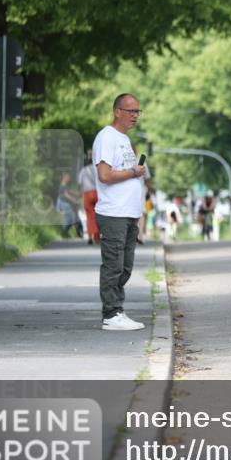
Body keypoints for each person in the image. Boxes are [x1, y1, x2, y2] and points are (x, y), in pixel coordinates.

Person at [92, 93, 146, 331]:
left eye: (137, 112)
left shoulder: (123, 139)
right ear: (117, 111)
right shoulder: (107, 137)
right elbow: (105, 175)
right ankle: (111, 314)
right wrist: (134, 172)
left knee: (125, 267)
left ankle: (117, 311)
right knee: (113, 265)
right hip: (113, 213)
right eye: (130, 111)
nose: (135, 116)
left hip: (127, 213)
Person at [78, 152, 100, 244]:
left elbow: (79, 183)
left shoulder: (83, 170)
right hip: (97, 193)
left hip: (87, 193)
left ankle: (90, 236)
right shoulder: (97, 169)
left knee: (89, 215)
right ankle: (97, 237)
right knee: (98, 214)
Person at [56, 171, 82, 238]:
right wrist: (75, 201)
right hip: (65, 205)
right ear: (64, 177)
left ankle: (66, 234)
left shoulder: (64, 186)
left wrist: (79, 194)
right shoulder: (62, 186)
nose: (69, 178)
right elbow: (67, 195)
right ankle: (64, 234)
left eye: (69, 177)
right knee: (69, 220)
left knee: (72, 219)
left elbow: (70, 192)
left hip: (67, 205)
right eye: (68, 177)